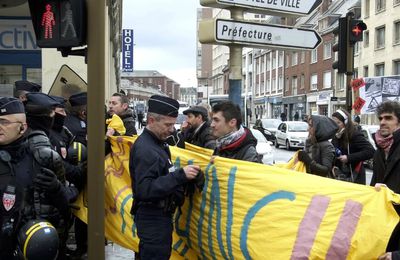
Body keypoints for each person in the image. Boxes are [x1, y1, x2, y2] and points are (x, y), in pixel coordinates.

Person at [129, 95, 201, 259]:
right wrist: (180, 176)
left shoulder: (157, 144)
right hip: (152, 218)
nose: (172, 129)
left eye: (173, 124)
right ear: (152, 120)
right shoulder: (146, 149)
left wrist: (185, 177)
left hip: (158, 217)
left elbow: (164, 173)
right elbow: (144, 190)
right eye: (167, 124)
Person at [0, 97, 70, 259]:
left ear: (22, 127)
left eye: (4, 122)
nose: (0, 127)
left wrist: (56, 189)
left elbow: (65, 212)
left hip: (28, 247)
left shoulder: (42, 160)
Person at [370, 101, 400, 260]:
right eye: (380, 118)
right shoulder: (379, 151)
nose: (382, 122)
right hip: (383, 228)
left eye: (388, 118)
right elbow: (373, 186)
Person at [331, 109, 374, 184]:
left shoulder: (355, 135)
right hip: (339, 177)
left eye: (338, 123)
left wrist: (348, 158)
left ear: (346, 123)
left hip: (354, 176)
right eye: (333, 123)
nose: (335, 126)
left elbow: (370, 151)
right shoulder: (335, 136)